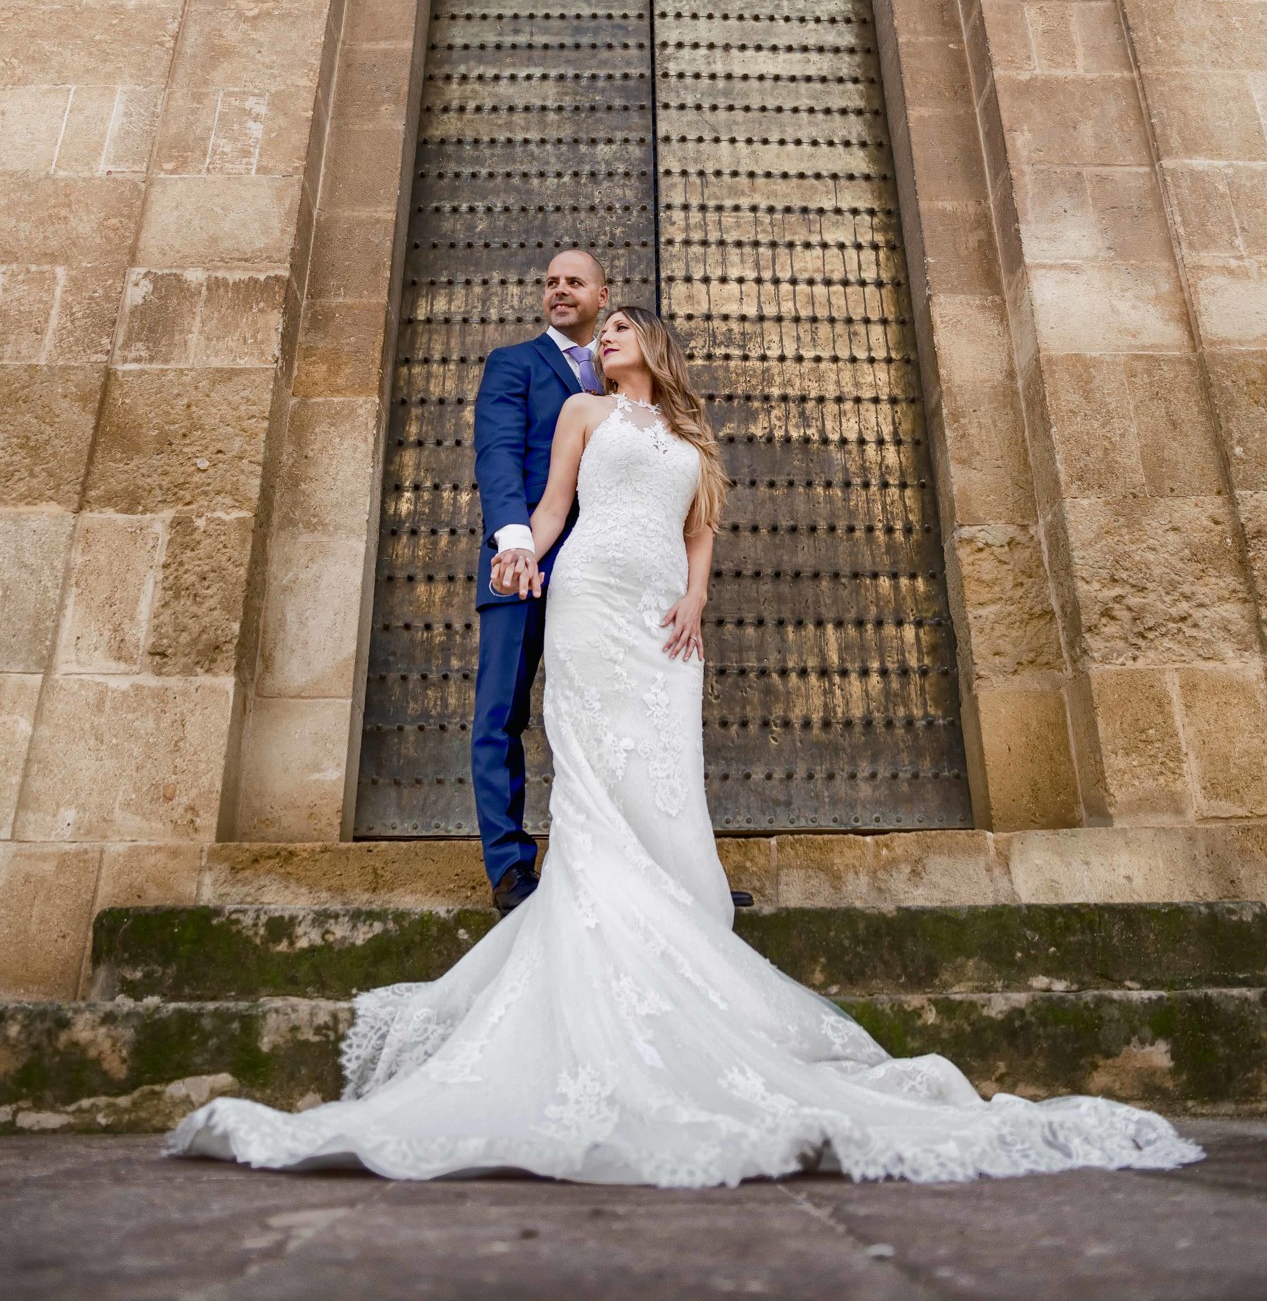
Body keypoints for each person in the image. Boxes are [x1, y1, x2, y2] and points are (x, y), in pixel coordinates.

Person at [168, 306, 1201, 1186]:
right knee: (592, 771)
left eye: (616, 327)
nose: (600, 335)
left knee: (659, 773)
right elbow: (555, 502)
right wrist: (516, 550)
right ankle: (596, 928)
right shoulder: (577, 410)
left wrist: (696, 600)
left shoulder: (694, 441)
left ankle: (671, 925)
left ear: (650, 348)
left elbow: (702, 530)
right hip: (587, 596)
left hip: (662, 614)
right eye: (599, 327)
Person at [470, 247, 608, 915]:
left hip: (606, 569)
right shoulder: (513, 364)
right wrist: (515, 541)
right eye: (551, 282)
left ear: (601, 295)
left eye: (573, 282)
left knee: (615, 714)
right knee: (502, 712)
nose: (559, 291)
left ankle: (631, 866)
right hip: (521, 558)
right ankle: (510, 870)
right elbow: (497, 453)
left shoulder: (623, 374)